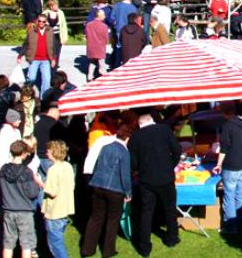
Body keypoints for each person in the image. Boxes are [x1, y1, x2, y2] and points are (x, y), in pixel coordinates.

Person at [80, 114, 134, 258]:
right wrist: (128, 193)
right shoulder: (124, 152)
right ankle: (108, 250)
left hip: (98, 186)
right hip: (115, 190)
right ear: (127, 138)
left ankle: (87, 249)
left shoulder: (105, 147)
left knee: (95, 218)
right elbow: (125, 175)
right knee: (112, 220)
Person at [129, 110, 182, 255]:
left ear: (140, 124)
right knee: (170, 209)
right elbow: (177, 150)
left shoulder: (135, 136)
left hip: (147, 179)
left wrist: (140, 169)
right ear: (151, 120)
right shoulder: (164, 129)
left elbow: (133, 162)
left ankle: (144, 247)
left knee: (146, 212)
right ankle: (172, 237)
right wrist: (171, 165)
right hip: (166, 177)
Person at [0, 140, 43, 258]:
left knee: (8, 244)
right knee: (26, 244)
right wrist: (37, 183)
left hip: (8, 209)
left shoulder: (3, 170)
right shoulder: (27, 172)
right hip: (24, 211)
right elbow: (33, 193)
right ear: (23, 153)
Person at [213, 100, 242, 234]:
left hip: (231, 165)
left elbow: (224, 148)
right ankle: (241, 221)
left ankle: (230, 226)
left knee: (229, 195)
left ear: (223, 112)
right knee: (239, 194)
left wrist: (218, 164)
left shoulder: (228, 126)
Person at [42, 140, 75, 258]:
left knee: (55, 244)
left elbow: (52, 193)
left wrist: (40, 182)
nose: (46, 153)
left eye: (48, 151)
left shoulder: (53, 169)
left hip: (54, 212)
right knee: (59, 239)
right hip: (65, 209)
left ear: (53, 152)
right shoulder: (68, 166)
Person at [20, 14, 56, 93]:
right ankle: (26, 93)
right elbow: (26, 44)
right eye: (40, 21)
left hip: (46, 59)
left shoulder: (50, 30)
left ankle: (44, 98)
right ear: (37, 21)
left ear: (46, 22)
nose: (41, 23)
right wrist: (20, 56)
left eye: (43, 21)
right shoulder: (32, 31)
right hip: (34, 59)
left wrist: (53, 58)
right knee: (31, 78)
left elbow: (53, 46)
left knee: (47, 80)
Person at [85, 9, 110, 80]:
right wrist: (106, 41)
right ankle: (103, 74)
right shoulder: (104, 26)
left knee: (92, 62)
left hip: (91, 46)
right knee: (101, 62)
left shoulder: (88, 25)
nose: (105, 16)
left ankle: (89, 76)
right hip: (100, 47)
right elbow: (106, 38)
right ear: (100, 16)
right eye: (103, 15)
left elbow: (87, 35)